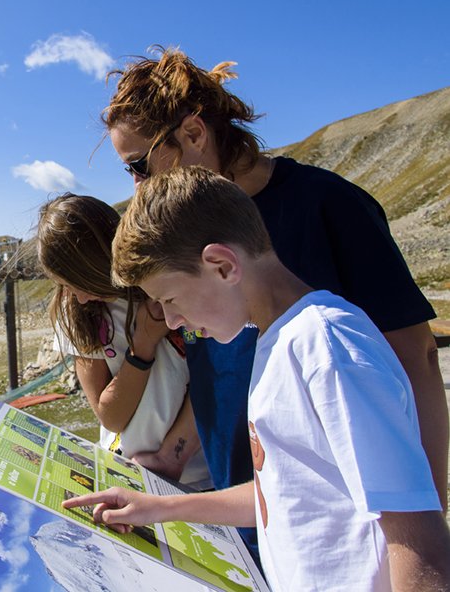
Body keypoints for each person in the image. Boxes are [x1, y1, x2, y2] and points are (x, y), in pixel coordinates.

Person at [99, 46, 448, 555]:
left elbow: (415, 357)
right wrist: (175, 455)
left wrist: (422, 528)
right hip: (247, 505)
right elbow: (217, 365)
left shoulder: (329, 206)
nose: (136, 186)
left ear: (194, 134)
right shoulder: (181, 239)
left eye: (139, 164)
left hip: (342, 532)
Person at [64, 166, 449, 592]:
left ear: (222, 266)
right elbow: (281, 495)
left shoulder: (326, 347)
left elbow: (419, 540)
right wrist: (159, 507)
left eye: (169, 299)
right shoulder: (273, 341)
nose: (171, 319)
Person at [35, 194, 210, 489]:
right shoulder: (78, 312)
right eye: (64, 285)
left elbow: (212, 377)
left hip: (201, 476)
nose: (77, 296)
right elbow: (110, 417)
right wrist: (142, 346)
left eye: (78, 282)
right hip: (127, 473)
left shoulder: (165, 287)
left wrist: (173, 456)